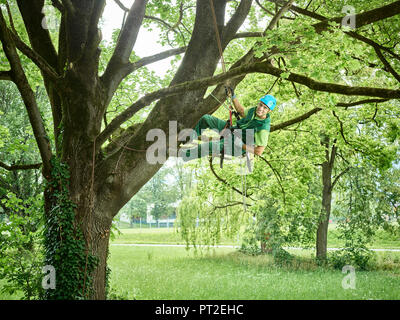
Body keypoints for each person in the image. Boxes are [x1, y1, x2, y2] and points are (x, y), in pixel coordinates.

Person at [178, 88, 277, 162]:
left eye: (265, 108)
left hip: (237, 146)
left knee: (209, 146)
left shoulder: (263, 128)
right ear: (258, 103)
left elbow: (259, 151)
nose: (261, 108)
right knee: (206, 119)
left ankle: (185, 155)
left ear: (269, 111)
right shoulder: (253, 111)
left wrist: (241, 145)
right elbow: (241, 112)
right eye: (260, 105)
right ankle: (190, 138)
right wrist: (233, 96)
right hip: (232, 131)